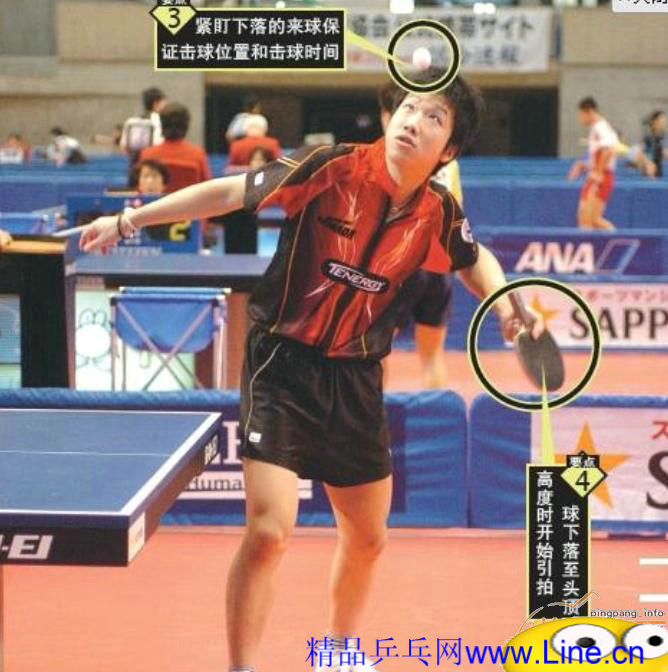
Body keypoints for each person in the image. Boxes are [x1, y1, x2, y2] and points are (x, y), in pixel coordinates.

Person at [80, 69, 540, 672]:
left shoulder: (436, 212)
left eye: (434, 117)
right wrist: (128, 221)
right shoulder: (333, 166)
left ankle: (337, 651)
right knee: (269, 531)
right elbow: (230, 192)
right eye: (408, 107)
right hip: (282, 363)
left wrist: (505, 303)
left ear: (448, 150)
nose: (413, 121)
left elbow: (473, 258)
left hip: (355, 378)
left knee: (368, 538)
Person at [378, 81, 464, 388]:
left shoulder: (387, 158)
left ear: (386, 116)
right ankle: (437, 416)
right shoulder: (448, 162)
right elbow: (458, 214)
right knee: (432, 356)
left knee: (374, 351)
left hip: (401, 264)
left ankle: (374, 417)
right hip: (440, 265)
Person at [568, 97, 618, 230]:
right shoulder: (597, 129)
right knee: (589, 220)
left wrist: (598, 172)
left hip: (601, 177)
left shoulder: (600, 127)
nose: (580, 119)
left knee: (588, 220)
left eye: (581, 115)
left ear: (589, 112)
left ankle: (618, 238)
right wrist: (582, 166)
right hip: (598, 176)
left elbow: (607, 150)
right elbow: (601, 155)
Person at [140, 102, 212, 191]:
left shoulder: (147, 154)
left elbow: (141, 190)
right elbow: (207, 189)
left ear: (162, 126)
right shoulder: (198, 154)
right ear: (186, 126)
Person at [120, 87, 167, 171]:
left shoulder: (131, 122)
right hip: (155, 167)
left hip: (134, 167)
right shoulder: (161, 122)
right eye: (163, 102)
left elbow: (124, 149)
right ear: (156, 103)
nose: (166, 105)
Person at [643, 110, 666, 178]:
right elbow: (646, 156)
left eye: (664, 121)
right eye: (661, 121)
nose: (663, 124)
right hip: (652, 175)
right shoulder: (648, 139)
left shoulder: (664, 137)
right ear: (654, 122)